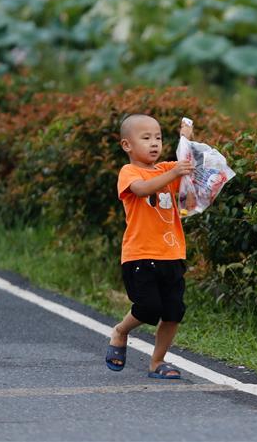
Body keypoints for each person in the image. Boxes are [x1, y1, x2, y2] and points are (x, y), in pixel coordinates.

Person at [105, 114, 195, 379]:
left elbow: (186, 177)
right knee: (148, 308)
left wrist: (186, 139)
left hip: (172, 253)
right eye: (146, 138)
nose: (154, 143)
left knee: (174, 311)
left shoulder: (167, 168)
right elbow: (143, 190)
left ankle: (157, 362)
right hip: (140, 256)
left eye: (158, 137)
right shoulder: (129, 172)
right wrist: (174, 172)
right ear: (127, 146)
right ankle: (121, 331)